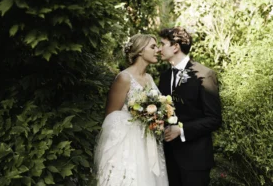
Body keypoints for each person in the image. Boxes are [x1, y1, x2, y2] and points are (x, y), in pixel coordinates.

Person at [94, 34, 169, 186]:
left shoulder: (149, 78)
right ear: (140, 50)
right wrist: (139, 115)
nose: (158, 50)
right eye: (153, 47)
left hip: (148, 141)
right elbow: (110, 118)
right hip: (128, 146)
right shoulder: (124, 78)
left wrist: (157, 118)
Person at [158, 27, 222, 186]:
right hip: (169, 157)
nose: (159, 49)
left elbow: (214, 119)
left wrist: (181, 130)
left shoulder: (204, 75)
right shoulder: (164, 77)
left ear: (175, 47)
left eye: (162, 44)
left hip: (195, 159)